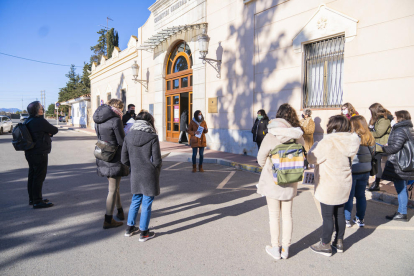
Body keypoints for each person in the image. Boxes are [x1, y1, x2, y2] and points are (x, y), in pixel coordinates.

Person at [308, 115, 360, 256]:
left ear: (333, 126)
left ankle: (325, 244)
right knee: (340, 214)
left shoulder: (327, 142)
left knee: (327, 216)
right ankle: (339, 242)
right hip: (344, 183)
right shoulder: (351, 142)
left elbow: (312, 158)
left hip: (329, 184)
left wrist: (314, 145)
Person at [257, 103, 304, 260]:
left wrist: (270, 168)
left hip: (273, 182)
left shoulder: (271, 136)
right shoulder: (298, 136)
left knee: (274, 216)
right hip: (290, 180)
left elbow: (260, 159)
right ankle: (286, 249)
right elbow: (303, 155)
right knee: (287, 215)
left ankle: (275, 248)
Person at [121, 111, 162, 240]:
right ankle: (144, 232)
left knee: (135, 199)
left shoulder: (128, 136)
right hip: (149, 173)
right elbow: (157, 160)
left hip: (136, 172)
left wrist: (133, 166)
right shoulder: (152, 137)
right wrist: (156, 171)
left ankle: (130, 227)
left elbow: (124, 159)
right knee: (147, 203)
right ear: (149, 121)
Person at [93, 98, 130, 229]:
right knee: (113, 190)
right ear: (117, 107)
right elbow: (121, 141)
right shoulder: (115, 120)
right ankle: (108, 219)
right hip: (114, 157)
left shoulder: (98, 120)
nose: (122, 110)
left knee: (115, 187)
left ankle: (120, 212)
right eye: (121, 108)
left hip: (103, 155)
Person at [381, 110, 414, 221]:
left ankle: (402, 213)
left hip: (399, 163)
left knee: (401, 189)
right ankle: (401, 211)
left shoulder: (400, 129)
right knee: (402, 188)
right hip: (404, 162)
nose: (392, 118)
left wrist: (384, 148)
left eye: (394, 116)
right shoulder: (407, 128)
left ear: (400, 118)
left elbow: (395, 147)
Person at [25, 101, 58, 209]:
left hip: (30, 152)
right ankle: (38, 201)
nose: (42, 108)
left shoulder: (28, 121)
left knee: (32, 175)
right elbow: (54, 130)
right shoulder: (40, 121)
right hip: (39, 152)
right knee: (39, 177)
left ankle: (33, 198)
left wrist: (46, 132)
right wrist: (47, 132)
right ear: (37, 110)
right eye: (40, 107)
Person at [345, 116, 375, 228]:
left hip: (354, 169)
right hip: (366, 169)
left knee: (349, 196)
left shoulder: (351, 137)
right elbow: (373, 152)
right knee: (361, 195)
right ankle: (360, 219)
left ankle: (346, 219)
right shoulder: (369, 135)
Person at [367, 103, 392, 191]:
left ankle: (376, 183)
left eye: (372, 111)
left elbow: (378, 133)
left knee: (377, 164)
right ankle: (373, 182)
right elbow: (371, 128)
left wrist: (367, 133)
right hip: (376, 144)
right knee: (374, 163)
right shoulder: (377, 119)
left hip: (382, 145)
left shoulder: (384, 119)